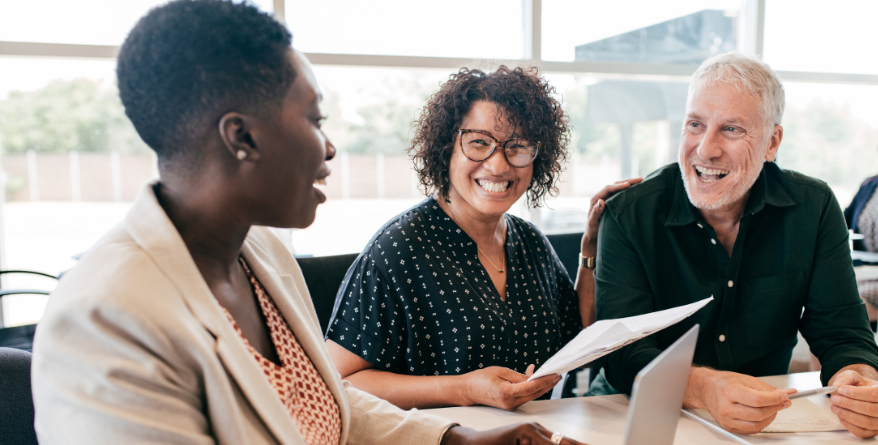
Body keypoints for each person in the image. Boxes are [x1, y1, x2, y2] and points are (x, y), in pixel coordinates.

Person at [30, 2, 586, 444]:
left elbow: (333, 403)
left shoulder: (263, 255)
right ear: (242, 137)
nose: (330, 146)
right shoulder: (105, 317)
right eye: (313, 118)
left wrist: (455, 439)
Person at [592, 51, 878, 439]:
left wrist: (859, 381)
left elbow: (844, 334)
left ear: (772, 142)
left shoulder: (813, 207)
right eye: (695, 124)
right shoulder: (629, 215)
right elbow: (624, 354)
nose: (705, 149)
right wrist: (705, 388)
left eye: (731, 129)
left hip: (763, 423)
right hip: (636, 414)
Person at [325, 65, 641, 410]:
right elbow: (340, 382)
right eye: (479, 143)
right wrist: (463, 389)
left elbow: (579, 333)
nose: (499, 165)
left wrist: (591, 248)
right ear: (447, 147)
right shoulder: (398, 250)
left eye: (517, 146)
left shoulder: (529, 242)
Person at [845, 116, 878, 325]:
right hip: (865, 275)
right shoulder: (870, 184)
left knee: (835, 313)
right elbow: (838, 224)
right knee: (818, 304)